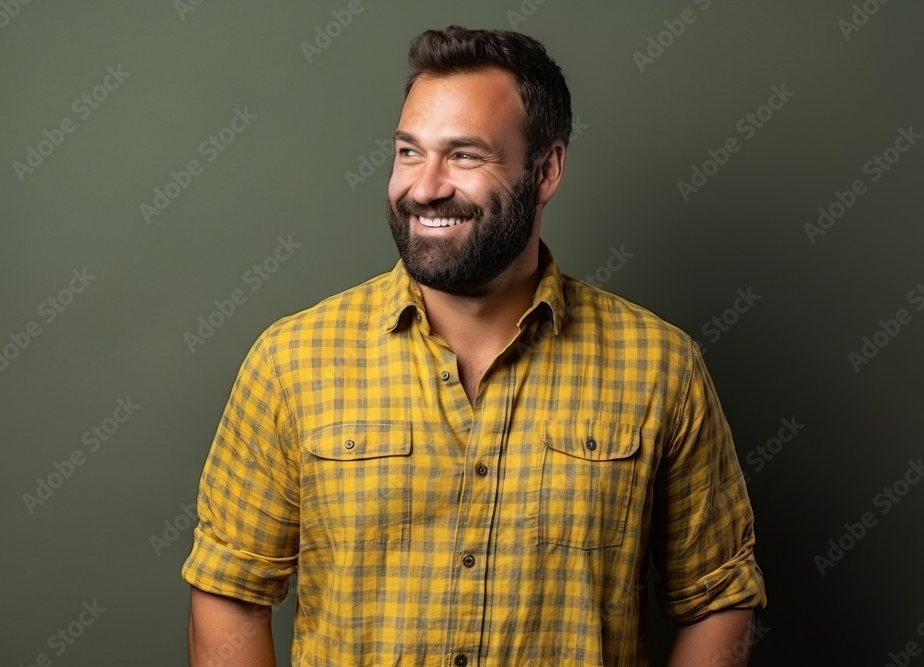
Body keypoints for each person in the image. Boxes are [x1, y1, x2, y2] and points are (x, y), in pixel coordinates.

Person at [182, 25, 767, 667]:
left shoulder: (662, 368)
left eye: (464, 156)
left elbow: (718, 597)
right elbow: (231, 592)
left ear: (546, 171)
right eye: (409, 152)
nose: (425, 187)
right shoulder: (290, 361)